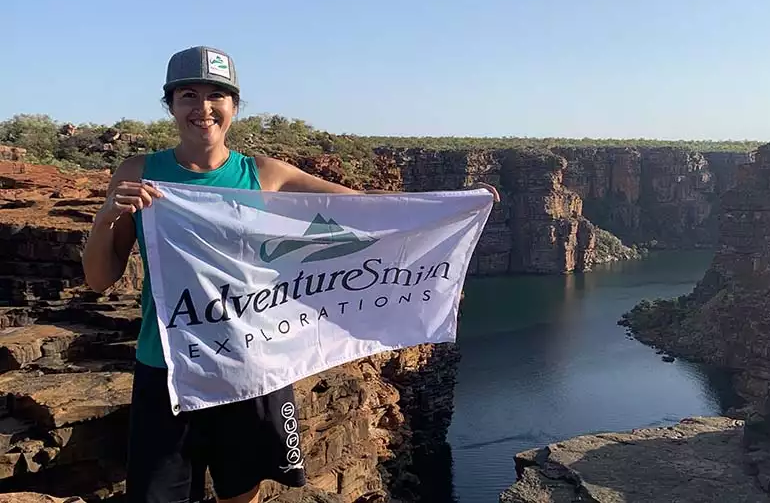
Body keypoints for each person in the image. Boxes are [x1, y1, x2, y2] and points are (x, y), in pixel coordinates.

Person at [82, 45, 498, 503]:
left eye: (216, 95)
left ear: (234, 107)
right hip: (167, 368)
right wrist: (106, 219)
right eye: (188, 95)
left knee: (240, 491)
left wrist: (457, 206)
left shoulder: (263, 174)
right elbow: (100, 279)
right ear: (171, 106)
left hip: (252, 366)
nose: (203, 107)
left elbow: (363, 209)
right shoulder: (140, 172)